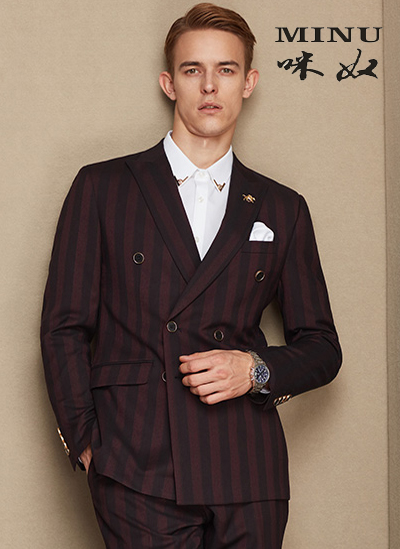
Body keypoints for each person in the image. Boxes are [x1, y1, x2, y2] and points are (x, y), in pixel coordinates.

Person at [41, 3, 342, 548]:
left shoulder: (282, 207)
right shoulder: (103, 188)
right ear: (169, 83)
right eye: (192, 69)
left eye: (225, 69)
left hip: (247, 465)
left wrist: (255, 369)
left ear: (248, 83)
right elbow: (64, 326)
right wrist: (87, 441)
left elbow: (322, 347)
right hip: (136, 462)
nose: (209, 85)